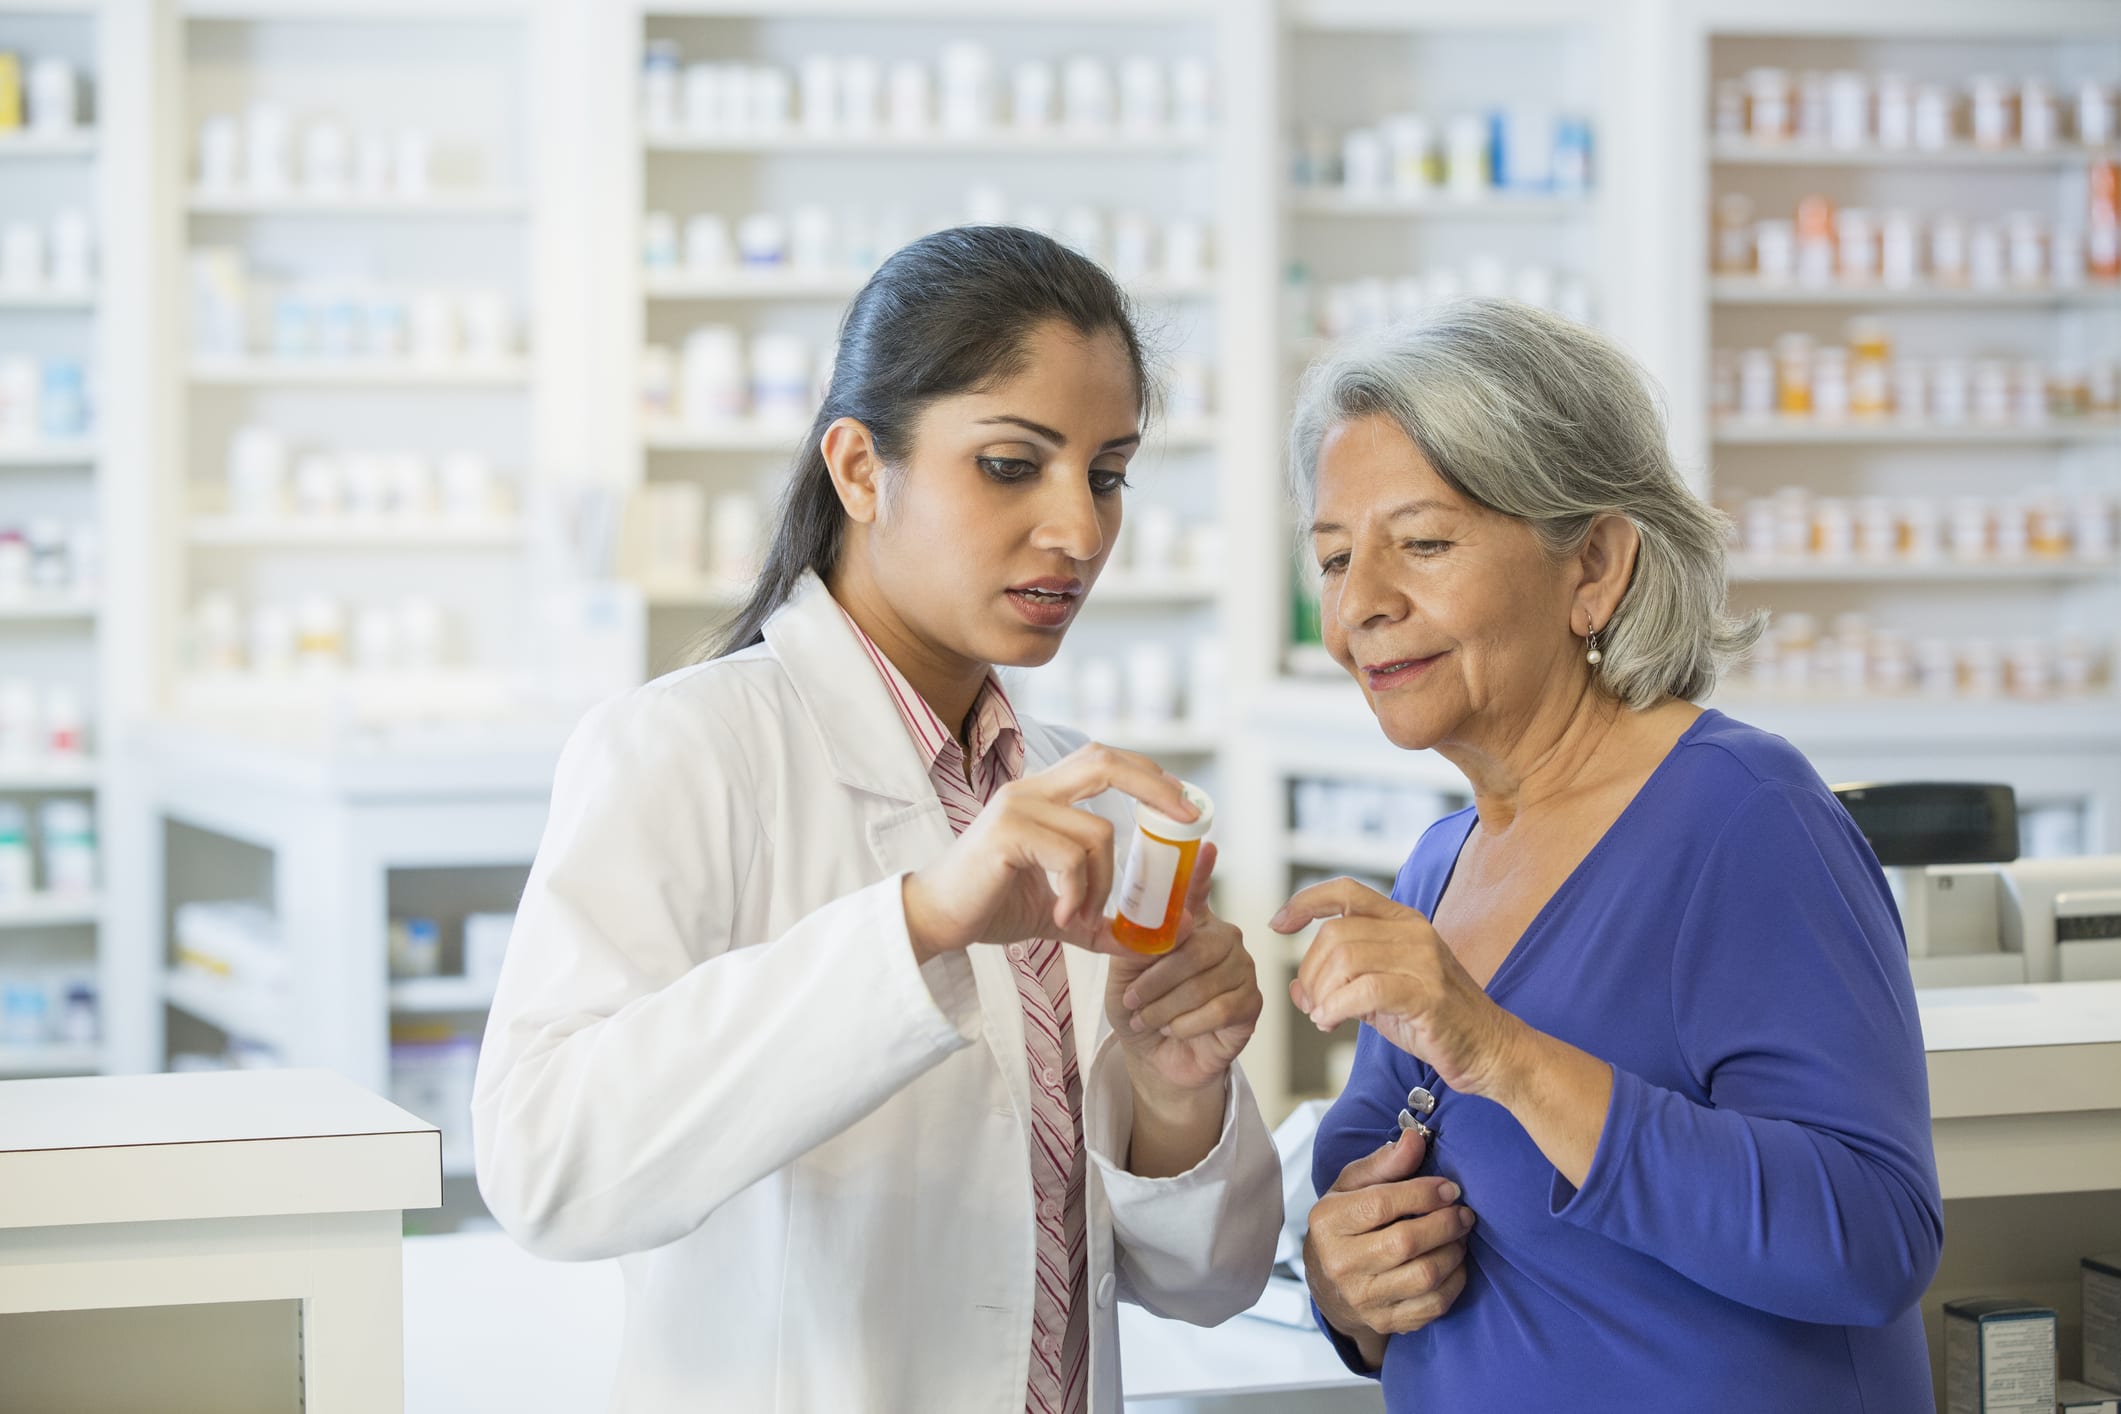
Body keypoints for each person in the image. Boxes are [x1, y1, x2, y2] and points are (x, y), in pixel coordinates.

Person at [474, 226, 1279, 1413]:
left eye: (1106, 473)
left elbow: (1202, 1281)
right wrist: (918, 925)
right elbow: (547, 1165)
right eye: (1013, 464)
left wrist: (1175, 1095)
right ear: (859, 467)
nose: (1082, 530)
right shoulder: (686, 748)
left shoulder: (1073, 799)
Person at [1279, 298, 1942, 1412]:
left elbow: (1869, 1237)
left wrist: (1500, 1050)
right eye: (1337, 557)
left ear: (1593, 563)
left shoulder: (1746, 820)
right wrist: (1347, 1285)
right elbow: (1363, 1206)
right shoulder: (1440, 867)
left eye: (1425, 543)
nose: (1362, 605)